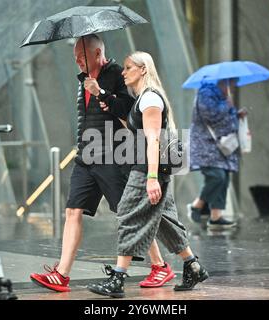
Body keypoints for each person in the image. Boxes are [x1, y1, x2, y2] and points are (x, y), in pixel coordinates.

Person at [30, 35, 174, 292]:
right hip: (86, 157)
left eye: (81, 56)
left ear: (98, 54)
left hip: (112, 156)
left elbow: (130, 111)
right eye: (74, 57)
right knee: (73, 210)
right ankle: (61, 274)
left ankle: (160, 265)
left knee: (129, 213)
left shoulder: (119, 75)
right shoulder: (82, 81)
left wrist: (101, 93)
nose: (76, 61)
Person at [87, 51, 208, 298]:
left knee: (128, 214)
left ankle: (118, 279)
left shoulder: (151, 99)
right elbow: (136, 129)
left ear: (143, 69)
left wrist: (151, 178)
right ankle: (192, 265)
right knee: (165, 220)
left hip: (146, 170)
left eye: (129, 67)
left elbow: (153, 140)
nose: (123, 71)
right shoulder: (143, 99)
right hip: (150, 169)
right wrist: (103, 96)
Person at [187, 78, 246, 230]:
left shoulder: (222, 97)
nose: (233, 87)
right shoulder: (206, 94)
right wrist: (226, 104)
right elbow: (210, 115)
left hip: (220, 146)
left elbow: (226, 118)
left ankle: (216, 215)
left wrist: (236, 114)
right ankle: (197, 204)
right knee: (216, 176)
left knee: (224, 177)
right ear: (223, 83)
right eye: (231, 84)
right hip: (205, 144)